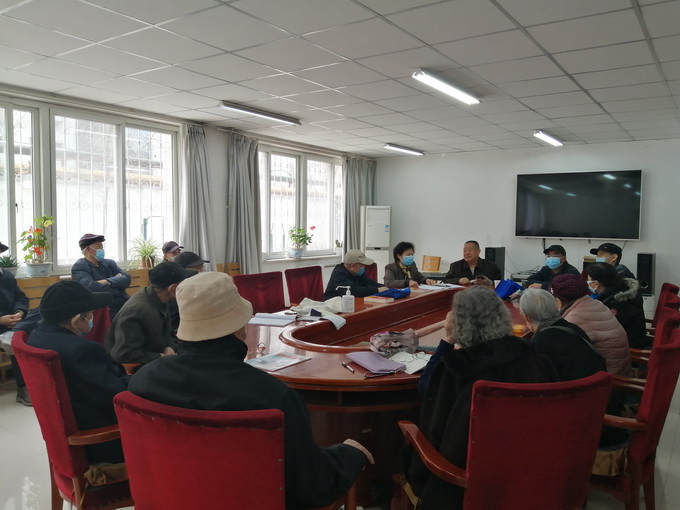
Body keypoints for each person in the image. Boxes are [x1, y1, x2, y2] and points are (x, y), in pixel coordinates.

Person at [128, 272, 373, 509]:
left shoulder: (144, 379)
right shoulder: (273, 396)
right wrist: (349, 454)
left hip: (172, 497)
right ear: (238, 327)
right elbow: (311, 487)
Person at [409, 286, 558, 510]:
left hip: (465, 481)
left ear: (457, 322)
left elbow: (430, 410)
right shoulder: (537, 359)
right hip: (535, 471)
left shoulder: (457, 369)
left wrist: (447, 341)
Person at [27, 281, 129, 464]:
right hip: (100, 441)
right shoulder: (81, 350)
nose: (92, 317)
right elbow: (117, 395)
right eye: (90, 313)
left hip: (65, 428)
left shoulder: (36, 337)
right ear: (76, 320)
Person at [519, 288, 627, 447]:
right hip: (603, 408)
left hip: (585, 428)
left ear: (527, 317)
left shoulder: (541, 344)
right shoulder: (571, 327)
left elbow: (539, 393)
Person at [106, 262, 194, 365]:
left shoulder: (160, 298)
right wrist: (160, 356)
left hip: (156, 360)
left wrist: (170, 347)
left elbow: (168, 332)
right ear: (173, 289)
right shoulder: (137, 311)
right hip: (137, 369)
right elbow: (123, 354)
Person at [550, 274, 631, 376]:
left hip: (606, 379)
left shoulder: (574, 318)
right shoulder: (596, 303)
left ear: (558, 301)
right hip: (620, 369)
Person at [586, 262, 647, 349]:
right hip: (615, 342)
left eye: (588, 279)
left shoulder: (620, 301)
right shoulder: (613, 292)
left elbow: (606, 330)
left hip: (626, 347)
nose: (587, 283)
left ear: (596, 283)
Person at [0, 241, 31, 406]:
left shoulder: (7, 275)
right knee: (16, 339)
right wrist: (1, 320)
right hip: (2, 325)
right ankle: (23, 387)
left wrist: (19, 313)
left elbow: (21, 297)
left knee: (41, 321)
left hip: (14, 322)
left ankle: (38, 381)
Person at [71, 234, 131, 319]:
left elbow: (127, 279)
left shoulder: (110, 263)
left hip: (124, 302)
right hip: (103, 308)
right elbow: (91, 288)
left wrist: (106, 281)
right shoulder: (80, 267)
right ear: (88, 249)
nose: (102, 250)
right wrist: (116, 281)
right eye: (99, 247)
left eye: (102, 247)